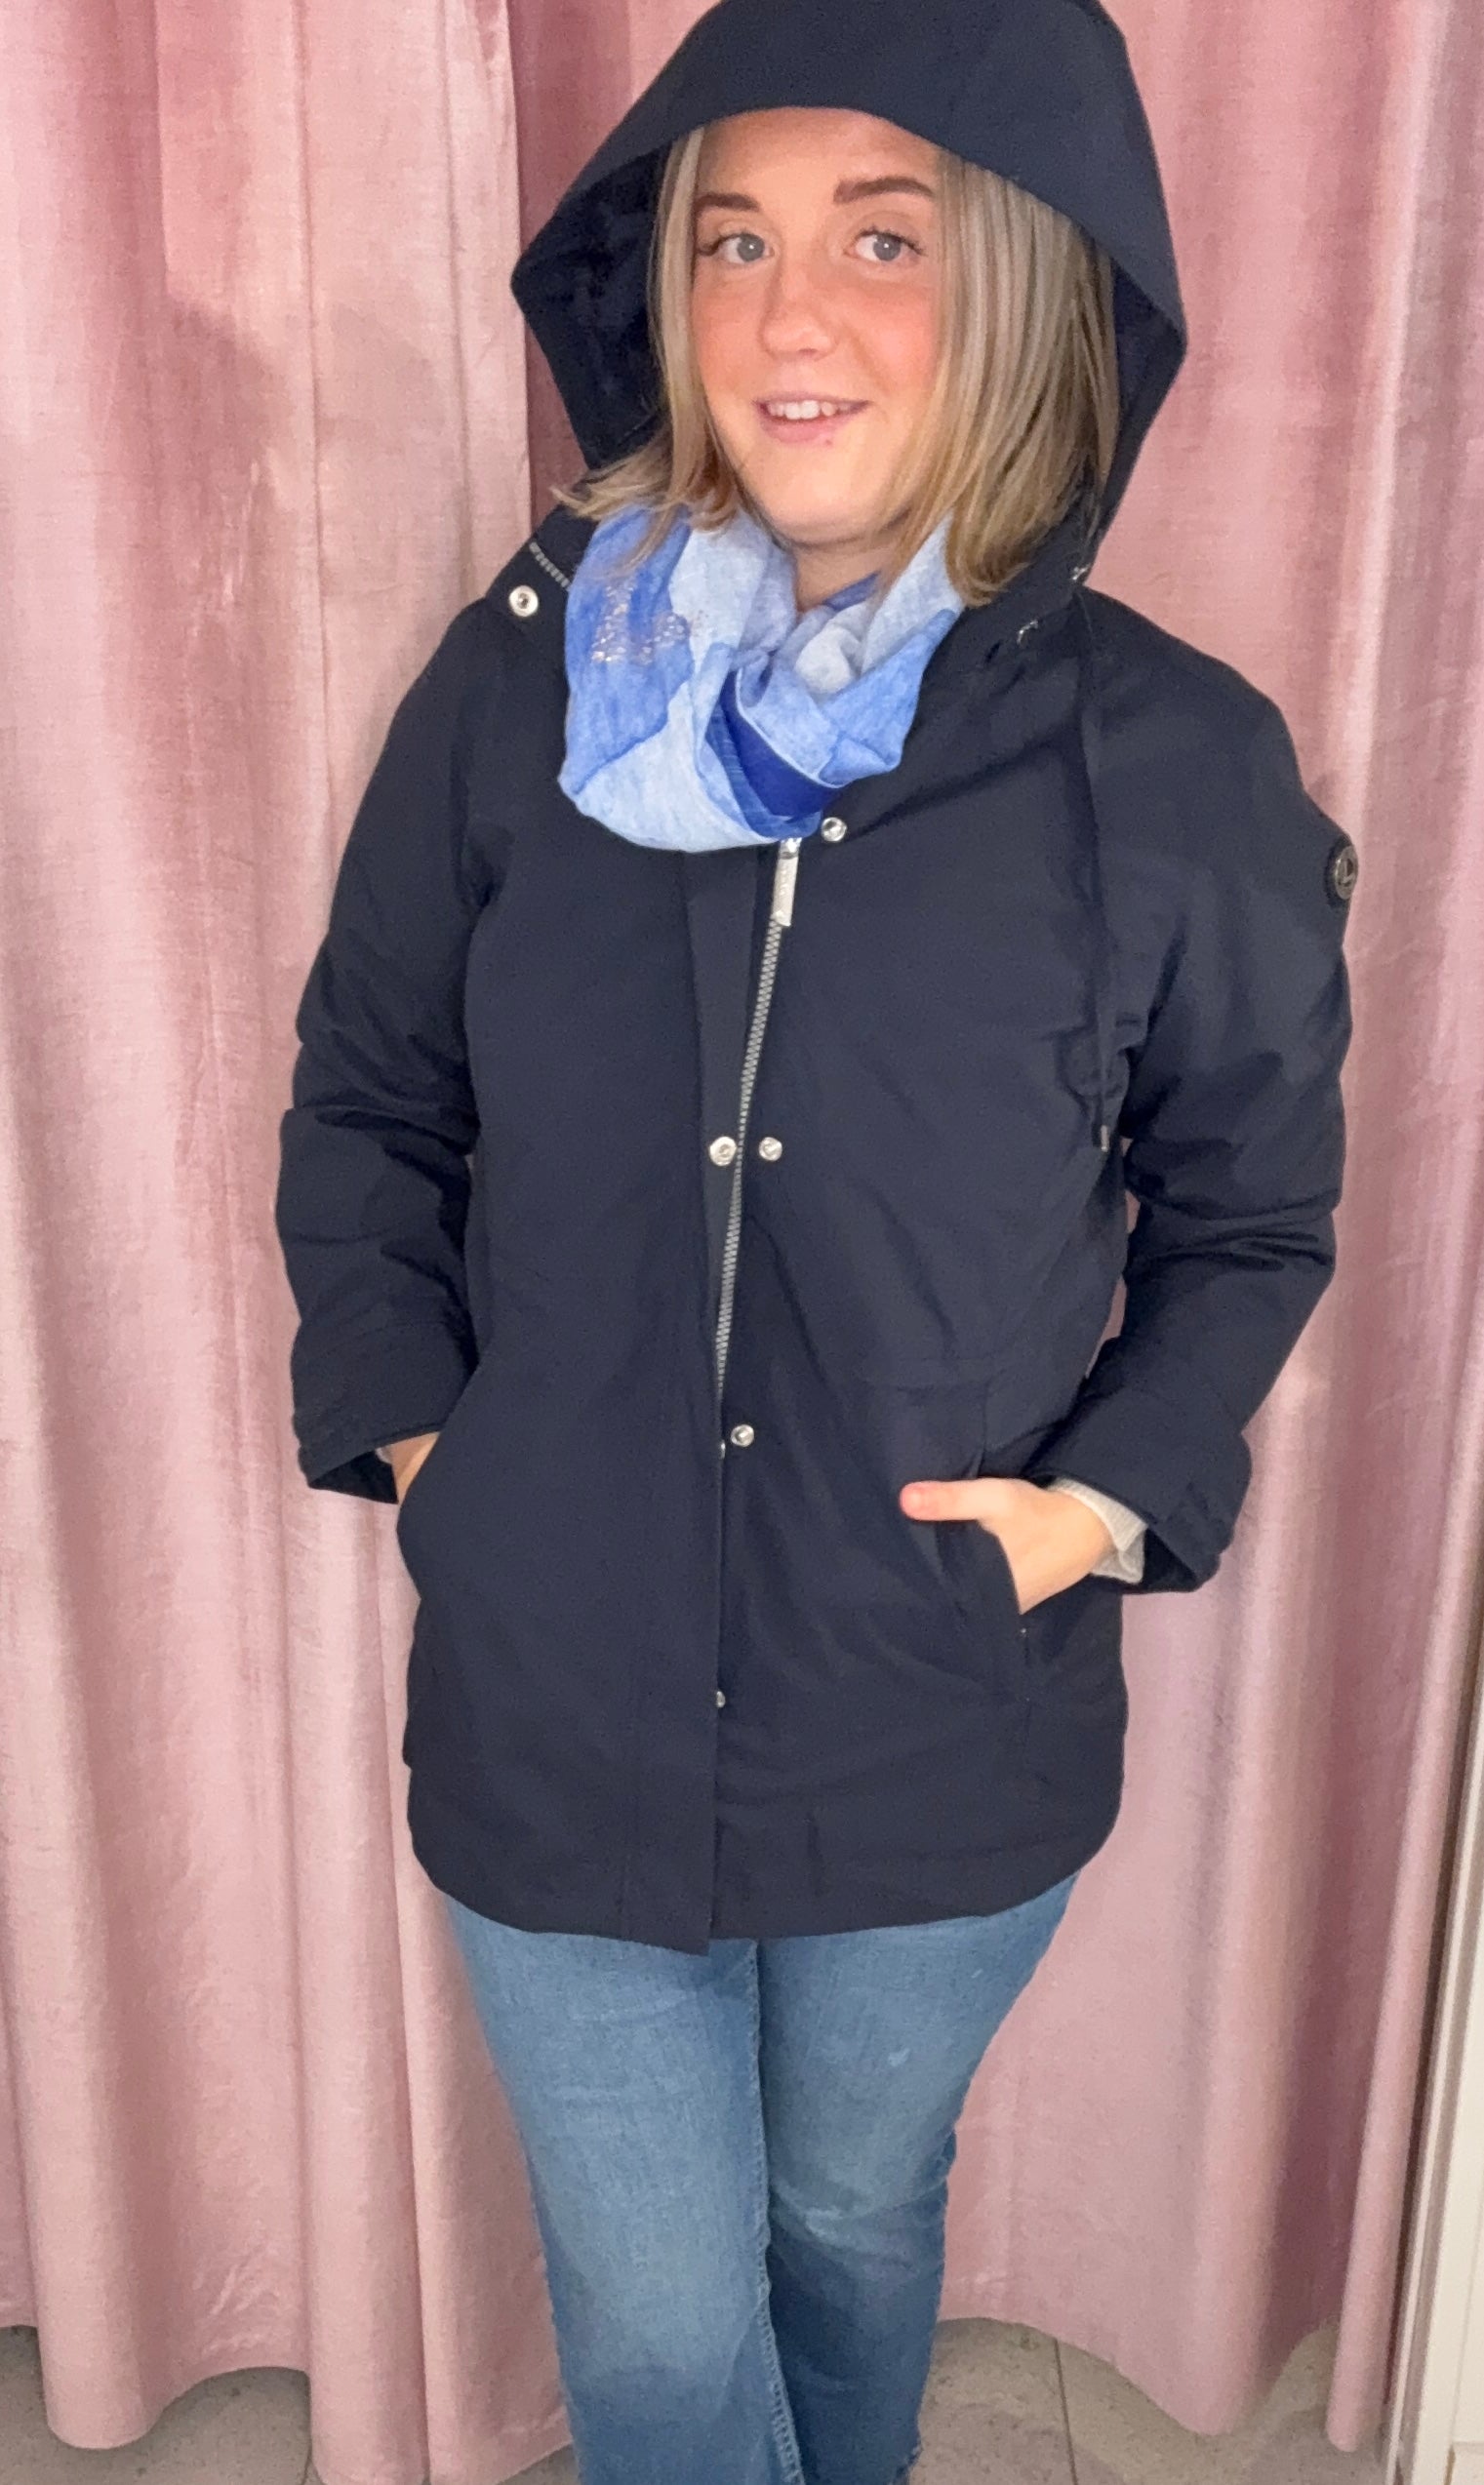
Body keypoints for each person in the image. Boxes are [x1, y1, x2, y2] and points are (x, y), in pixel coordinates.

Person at [273, 0, 1357, 2477]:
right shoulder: (515, 690)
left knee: (851, 2225)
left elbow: (1245, 1212)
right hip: (555, 1686)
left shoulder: (1169, 762)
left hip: (934, 1702)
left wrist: (1091, 1508)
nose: (785, 314)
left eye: (885, 240)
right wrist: (438, 1453)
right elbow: (370, 1102)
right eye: (729, 238)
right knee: (662, 2335)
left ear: (1028, 285)